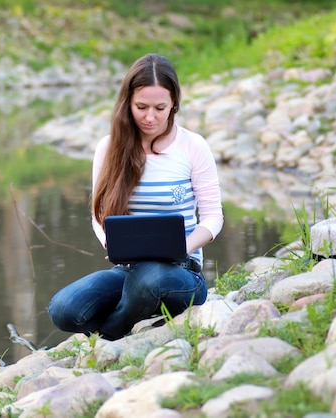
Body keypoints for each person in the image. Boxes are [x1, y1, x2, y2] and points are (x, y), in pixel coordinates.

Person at [47, 53, 224, 341]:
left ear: (174, 105)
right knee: (64, 308)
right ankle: (137, 311)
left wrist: (183, 246)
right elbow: (99, 213)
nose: (150, 117)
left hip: (182, 273)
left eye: (160, 107)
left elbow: (214, 218)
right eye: (141, 107)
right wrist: (109, 240)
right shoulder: (109, 148)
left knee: (151, 278)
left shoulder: (192, 146)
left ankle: (111, 333)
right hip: (128, 270)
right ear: (127, 103)